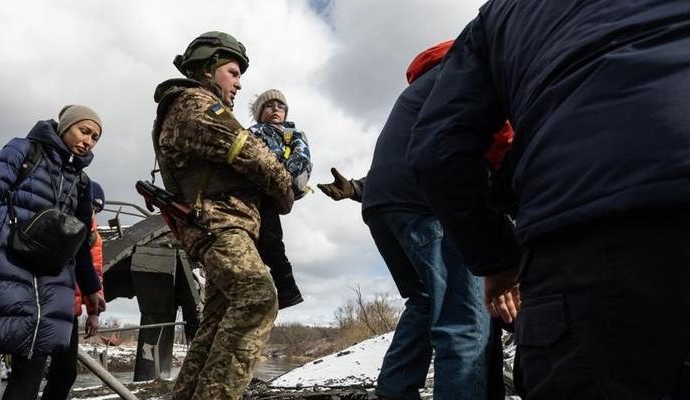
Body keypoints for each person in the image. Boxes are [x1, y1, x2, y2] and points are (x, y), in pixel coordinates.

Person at [407, 2, 690, 399]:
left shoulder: (500, 15)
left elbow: (437, 151)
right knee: (457, 319)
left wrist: (500, 262)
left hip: (583, 235)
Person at [317, 41, 511, 400]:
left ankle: (394, 393)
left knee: (423, 301)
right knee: (466, 319)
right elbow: (501, 145)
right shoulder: (476, 69)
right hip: (428, 205)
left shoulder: (426, 84)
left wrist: (358, 188)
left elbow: (404, 155)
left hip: (382, 205)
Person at [152, 31, 294, 399]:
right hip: (218, 224)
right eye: (232, 72)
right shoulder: (194, 103)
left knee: (215, 324)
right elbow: (254, 155)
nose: (239, 83)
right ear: (208, 69)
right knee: (258, 298)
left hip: (222, 225)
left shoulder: (194, 106)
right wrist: (285, 189)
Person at [0, 105, 105, 400]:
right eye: (84, 131)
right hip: (1, 270)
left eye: (95, 137)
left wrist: (91, 288)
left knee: (30, 372)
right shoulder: (23, 151)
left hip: (49, 288)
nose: (88, 141)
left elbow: (79, 243)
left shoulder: (82, 183)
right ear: (66, 126)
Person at [40, 180, 105, 400]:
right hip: (45, 300)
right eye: (91, 206)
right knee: (31, 368)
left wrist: (94, 312)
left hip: (71, 309)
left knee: (66, 372)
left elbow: (94, 272)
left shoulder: (94, 238)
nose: (93, 211)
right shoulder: (59, 219)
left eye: (97, 208)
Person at [247, 88, 311, 309]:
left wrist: (280, 174)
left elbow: (302, 157)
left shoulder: (293, 135)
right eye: (269, 105)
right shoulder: (251, 132)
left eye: (280, 106)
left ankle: (288, 290)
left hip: (274, 192)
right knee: (253, 241)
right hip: (251, 191)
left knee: (271, 240)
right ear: (259, 111)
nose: (275, 109)